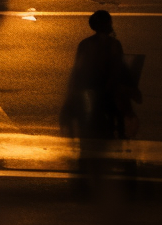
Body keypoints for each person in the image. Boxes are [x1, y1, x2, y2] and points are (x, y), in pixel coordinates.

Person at [60, 10, 141, 147]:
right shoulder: (114, 44)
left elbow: (77, 70)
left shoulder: (85, 44)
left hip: (87, 91)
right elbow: (119, 69)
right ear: (108, 24)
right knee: (117, 111)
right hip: (106, 92)